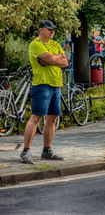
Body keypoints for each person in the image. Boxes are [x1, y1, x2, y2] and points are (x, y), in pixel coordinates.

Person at [20, 20, 69, 164]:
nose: (52, 32)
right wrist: (55, 59)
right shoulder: (35, 44)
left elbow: (65, 62)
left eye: (53, 29)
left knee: (52, 118)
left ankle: (47, 150)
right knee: (36, 117)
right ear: (41, 30)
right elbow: (51, 58)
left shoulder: (54, 44)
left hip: (56, 84)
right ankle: (26, 151)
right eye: (49, 29)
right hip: (42, 84)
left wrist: (50, 60)